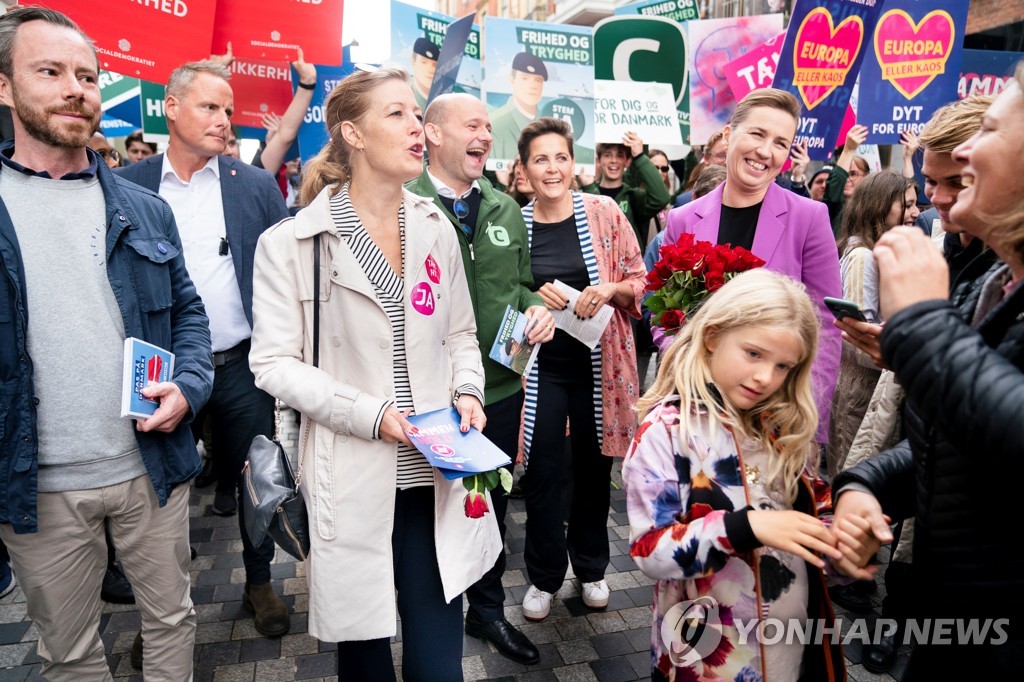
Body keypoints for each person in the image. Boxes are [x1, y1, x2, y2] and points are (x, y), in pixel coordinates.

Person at [248, 67, 501, 681]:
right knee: (363, 653)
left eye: (417, 115)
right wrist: (374, 416)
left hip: (437, 471)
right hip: (353, 472)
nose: (417, 127)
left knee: (439, 658)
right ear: (351, 134)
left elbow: (460, 333)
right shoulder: (293, 243)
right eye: (397, 114)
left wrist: (467, 388)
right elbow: (273, 364)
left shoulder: (435, 227)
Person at [0, 7, 214, 678]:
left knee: (174, 619)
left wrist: (187, 386)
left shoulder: (143, 208)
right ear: (4, 86)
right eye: (50, 71)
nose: (75, 88)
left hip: (150, 470)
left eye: (88, 75)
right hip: (37, 489)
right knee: (68, 652)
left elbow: (189, 318)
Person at [832, 63, 1024, 678]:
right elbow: (953, 445)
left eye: (989, 129)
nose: (965, 153)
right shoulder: (996, 280)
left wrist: (919, 326)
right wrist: (864, 486)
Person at [623, 269, 875, 681]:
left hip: (791, 646)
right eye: (754, 354)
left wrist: (843, 547)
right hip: (710, 659)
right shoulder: (668, 432)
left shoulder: (781, 427)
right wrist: (744, 526)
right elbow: (649, 550)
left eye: (782, 367)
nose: (765, 377)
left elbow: (815, 511)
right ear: (713, 336)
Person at [116, 60, 292, 640]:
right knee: (158, 496)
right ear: (170, 107)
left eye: (228, 109)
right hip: (160, 372)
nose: (223, 120)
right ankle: (161, 618)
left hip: (242, 365)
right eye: (209, 107)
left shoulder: (255, 187)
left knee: (257, 477)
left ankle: (260, 581)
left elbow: (284, 273)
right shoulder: (127, 186)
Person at [407, 92, 552, 666]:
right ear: (434, 134)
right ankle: (424, 614)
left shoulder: (505, 207)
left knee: (486, 504)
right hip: (424, 393)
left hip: (500, 388)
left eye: (489, 127)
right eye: (473, 125)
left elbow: (518, 284)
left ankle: (487, 613)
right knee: (426, 508)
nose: (486, 136)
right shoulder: (402, 203)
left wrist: (535, 308)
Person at [659, 88, 842, 448]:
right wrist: (685, 375)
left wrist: (805, 420)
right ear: (729, 135)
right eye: (757, 134)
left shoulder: (809, 218)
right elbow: (665, 312)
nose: (765, 151)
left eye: (780, 143)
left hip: (775, 410)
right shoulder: (682, 219)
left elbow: (825, 327)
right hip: (698, 406)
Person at [516, 117, 646, 621]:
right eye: (540, 160)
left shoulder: (605, 211)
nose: (552, 168)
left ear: (575, 163)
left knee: (595, 470)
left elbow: (639, 278)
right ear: (524, 170)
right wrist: (530, 299)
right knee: (545, 472)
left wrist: (609, 290)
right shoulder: (517, 224)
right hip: (542, 369)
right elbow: (508, 294)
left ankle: (591, 569)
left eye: (561, 157)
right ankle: (544, 578)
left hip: (601, 366)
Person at [826, 171, 920, 477]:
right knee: (854, 479)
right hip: (862, 392)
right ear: (880, 205)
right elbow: (855, 336)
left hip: (869, 388)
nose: (916, 213)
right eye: (907, 205)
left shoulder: (877, 252)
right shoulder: (863, 256)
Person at [581, 133, 670, 252]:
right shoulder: (587, 193)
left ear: (627, 161)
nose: (613, 160)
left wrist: (639, 157)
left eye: (619, 155)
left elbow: (662, 198)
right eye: (607, 155)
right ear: (599, 160)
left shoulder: (633, 197)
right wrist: (589, 187)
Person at [490, 52, 547, 163]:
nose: (532, 85)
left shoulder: (549, 127)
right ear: (512, 80)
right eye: (525, 78)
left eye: (538, 80)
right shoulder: (494, 124)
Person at [824, 124, 870, 233]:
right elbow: (833, 193)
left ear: (866, 178)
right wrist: (848, 150)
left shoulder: (874, 210)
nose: (846, 179)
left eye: (853, 174)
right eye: (845, 174)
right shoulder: (831, 210)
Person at [673, 129, 727, 207]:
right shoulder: (685, 202)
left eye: (731, 155)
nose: (726, 161)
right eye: (721, 155)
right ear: (706, 158)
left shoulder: (748, 200)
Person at [409, 37, 438, 111]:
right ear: (413, 61)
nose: (430, 69)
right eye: (423, 62)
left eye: (434, 65)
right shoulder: (403, 89)